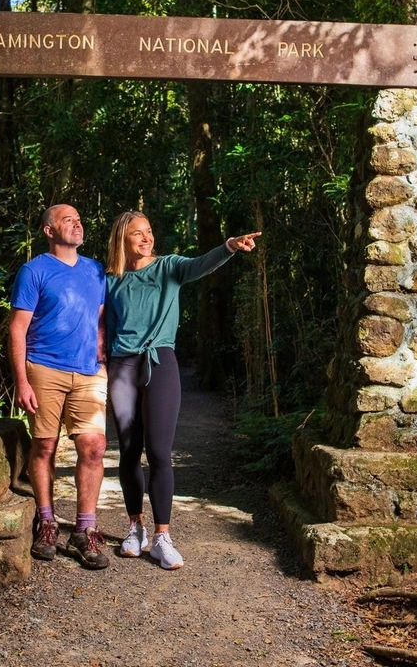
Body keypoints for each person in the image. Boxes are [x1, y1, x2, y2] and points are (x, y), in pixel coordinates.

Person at [104, 211, 260, 569]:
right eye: (138, 234)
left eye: (149, 231)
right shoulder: (109, 279)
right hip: (122, 366)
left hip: (159, 361)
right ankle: (134, 528)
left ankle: (162, 537)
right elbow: (104, 326)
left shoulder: (169, 267)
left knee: (159, 450)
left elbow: (200, 265)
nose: (147, 239)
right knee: (128, 450)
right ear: (122, 240)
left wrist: (229, 247)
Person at [9, 204, 111, 570]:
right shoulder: (34, 270)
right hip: (44, 369)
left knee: (94, 447)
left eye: (80, 219)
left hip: (88, 372)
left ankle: (85, 530)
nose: (77, 224)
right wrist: (22, 381)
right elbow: (18, 328)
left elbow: (99, 318)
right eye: (68, 219)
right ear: (49, 231)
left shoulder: (95, 270)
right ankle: (47, 521)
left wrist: (102, 353)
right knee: (45, 446)